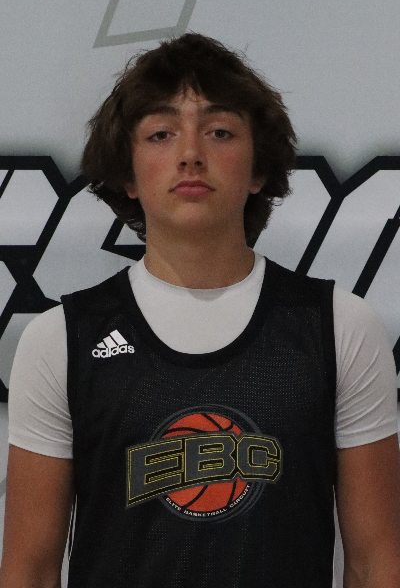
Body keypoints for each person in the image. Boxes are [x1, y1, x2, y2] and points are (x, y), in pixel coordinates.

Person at [1, 33, 400, 588]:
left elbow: (377, 564)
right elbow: (29, 572)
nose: (190, 154)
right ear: (127, 174)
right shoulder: (61, 339)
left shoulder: (340, 328)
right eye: (161, 133)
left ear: (259, 169)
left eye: (219, 131)